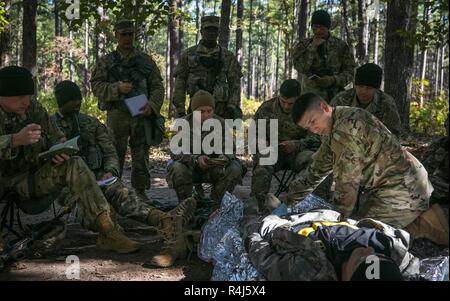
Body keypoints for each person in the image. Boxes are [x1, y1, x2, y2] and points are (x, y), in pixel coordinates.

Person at [51, 80, 196, 267]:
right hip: (71, 188)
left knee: (123, 194)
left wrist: (110, 171)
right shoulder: (51, 127)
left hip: (101, 180)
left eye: (78, 102)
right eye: (72, 104)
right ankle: (110, 233)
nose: (77, 107)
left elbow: (110, 152)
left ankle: (164, 221)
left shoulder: (90, 124)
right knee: (91, 207)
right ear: (61, 104)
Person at [0, 65, 139, 254]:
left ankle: (107, 231)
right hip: (4, 181)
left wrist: (59, 149)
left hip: (29, 179)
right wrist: (15, 140)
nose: (25, 102)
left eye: (28, 96)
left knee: (73, 163)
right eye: (18, 97)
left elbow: (56, 136)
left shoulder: (33, 108)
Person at [288, 93, 448, 246]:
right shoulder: (336, 123)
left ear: (324, 107)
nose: (313, 129)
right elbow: (318, 168)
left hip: (405, 190)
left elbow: (347, 184)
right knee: (354, 226)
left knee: (359, 236)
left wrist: (337, 223)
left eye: (313, 121)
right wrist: (288, 201)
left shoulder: (345, 129)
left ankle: (424, 223)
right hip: (390, 187)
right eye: (308, 127)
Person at [90, 19, 165, 201]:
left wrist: (152, 106)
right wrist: (116, 88)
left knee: (141, 152)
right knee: (114, 153)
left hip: (140, 113)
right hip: (117, 114)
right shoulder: (106, 62)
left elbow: (157, 87)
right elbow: (96, 86)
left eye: (130, 34)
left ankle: (140, 191)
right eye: (123, 34)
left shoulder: (145, 61)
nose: (127, 38)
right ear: (116, 35)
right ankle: (114, 190)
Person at [243, 209, 418, 281]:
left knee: (250, 218)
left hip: (284, 227)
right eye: (378, 255)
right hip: (325, 215)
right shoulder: (395, 251)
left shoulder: (310, 272)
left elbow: (264, 257)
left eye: (361, 261)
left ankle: (253, 211)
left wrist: (252, 234)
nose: (368, 249)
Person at [251, 79, 320, 213]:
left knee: (312, 160)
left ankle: (303, 204)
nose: (287, 106)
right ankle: (259, 204)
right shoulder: (267, 108)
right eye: (283, 101)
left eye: (291, 103)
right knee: (263, 160)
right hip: (273, 152)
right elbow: (254, 134)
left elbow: (316, 139)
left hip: (298, 153)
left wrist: (297, 144)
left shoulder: (308, 110)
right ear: (279, 95)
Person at [168, 90, 244, 209]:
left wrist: (221, 160)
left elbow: (230, 149)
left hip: (214, 168)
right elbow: (175, 151)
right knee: (177, 167)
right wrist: (196, 159)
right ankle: (186, 206)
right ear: (193, 111)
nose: (206, 115)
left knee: (235, 167)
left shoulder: (221, 123)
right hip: (191, 168)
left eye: (209, 111)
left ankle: (217, 205)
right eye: (201, 111)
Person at [172, 16, 243, 119]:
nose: (211, 33)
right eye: (208, 30)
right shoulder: (188, 55)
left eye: (214, 30)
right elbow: (180, 83)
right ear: (201, 31)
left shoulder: (227, 56)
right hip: (197, 108)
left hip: (221, 110)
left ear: (218, 32)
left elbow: (235, 84)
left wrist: (232, 106)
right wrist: (180, 110)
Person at [292, 10, 356, 103]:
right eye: (315, 27)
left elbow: (351, 72)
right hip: (311, 99)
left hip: (335, 98)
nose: (318, 31)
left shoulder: (341, 46)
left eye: (322, 27)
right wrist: (312, 47)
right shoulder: (303, 45)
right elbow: (301, 67)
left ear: (328, 27)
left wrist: (334, 80)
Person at [330, 63, 402, 136]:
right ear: (355, 86)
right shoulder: (341, 99)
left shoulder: (386, 104)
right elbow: (327, 124)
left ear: (376, 89)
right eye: (361, 86)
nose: (364, 91)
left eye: (369, 88)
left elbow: (393, 135)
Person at [422, 116, 448, 204]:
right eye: (447, 126)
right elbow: (423, 169)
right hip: (439, 184)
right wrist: (437, 159)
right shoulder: (440, 144)